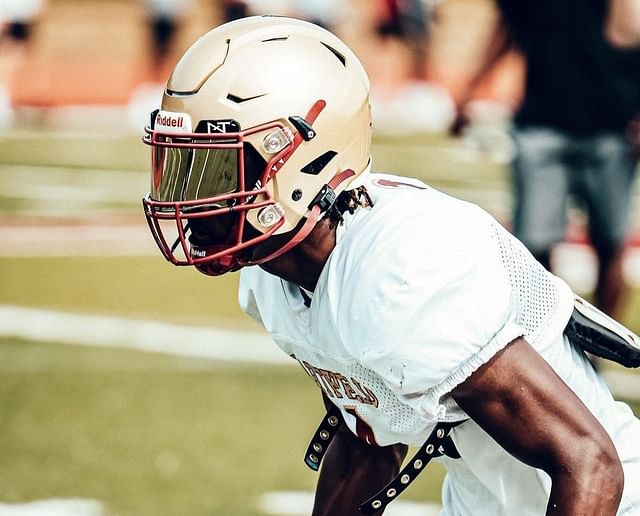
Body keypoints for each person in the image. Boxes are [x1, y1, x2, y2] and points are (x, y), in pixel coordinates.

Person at [142, 16, 640, 515]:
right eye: (186, 168)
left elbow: (590, 463)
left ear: (304, 160)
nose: (194, 200)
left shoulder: (404, 267)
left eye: (221, 168)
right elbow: (368, 441)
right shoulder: (274, 278)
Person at [453, 0, 640, 320]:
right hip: (542, 123)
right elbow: (507, 29)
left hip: (611, 124)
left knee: (610, 244)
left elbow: (632, 30)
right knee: (534, 249)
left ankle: (599, 359)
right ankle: (549, 339)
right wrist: (470, 90)